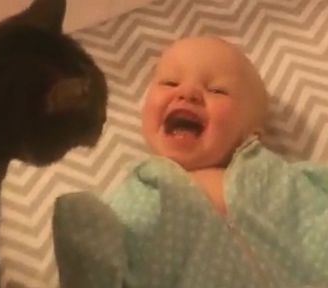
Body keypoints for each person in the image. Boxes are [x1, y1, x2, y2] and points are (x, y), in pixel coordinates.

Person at [53, 36, 328, 288]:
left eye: (217, 90)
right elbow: (113, 264)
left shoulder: (284, 177)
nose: (188, 93)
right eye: (170, 83)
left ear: (253, 127)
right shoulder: (140, 192)